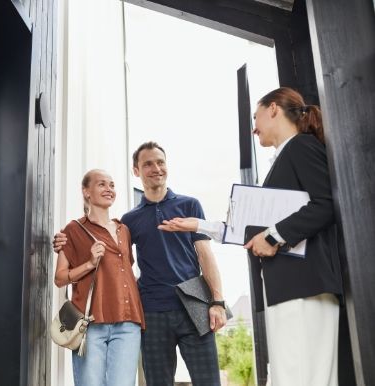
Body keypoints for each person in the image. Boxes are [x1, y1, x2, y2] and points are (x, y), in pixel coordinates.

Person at [160, 87, 343, 386]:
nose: (253, 126)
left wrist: (273, 237)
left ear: (274, 109)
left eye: (255, 116)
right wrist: (199, 225)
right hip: (288, 289)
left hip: (305, 286)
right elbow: (249, 229)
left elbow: (325, 204)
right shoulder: (285, 157)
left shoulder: (300, 147)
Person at [55, 143, 227, 386]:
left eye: (161, 162)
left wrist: (217, 302)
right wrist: (64, 241)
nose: (156, 168)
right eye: (148, 164)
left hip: (194, 306)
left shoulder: (190, 205)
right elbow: (115, 260)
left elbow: (206, 255)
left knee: (209, 381)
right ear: (136, 171)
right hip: (151, 311)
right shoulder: (129, 221)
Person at [54, 169, 145, 386]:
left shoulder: (124, 230)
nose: (109, 189)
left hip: (128, 321)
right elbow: (59, 278)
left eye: (112, 185)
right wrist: (89, 264)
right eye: (102, 184)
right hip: (91, 323)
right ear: (86, 192)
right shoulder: (73, 229)